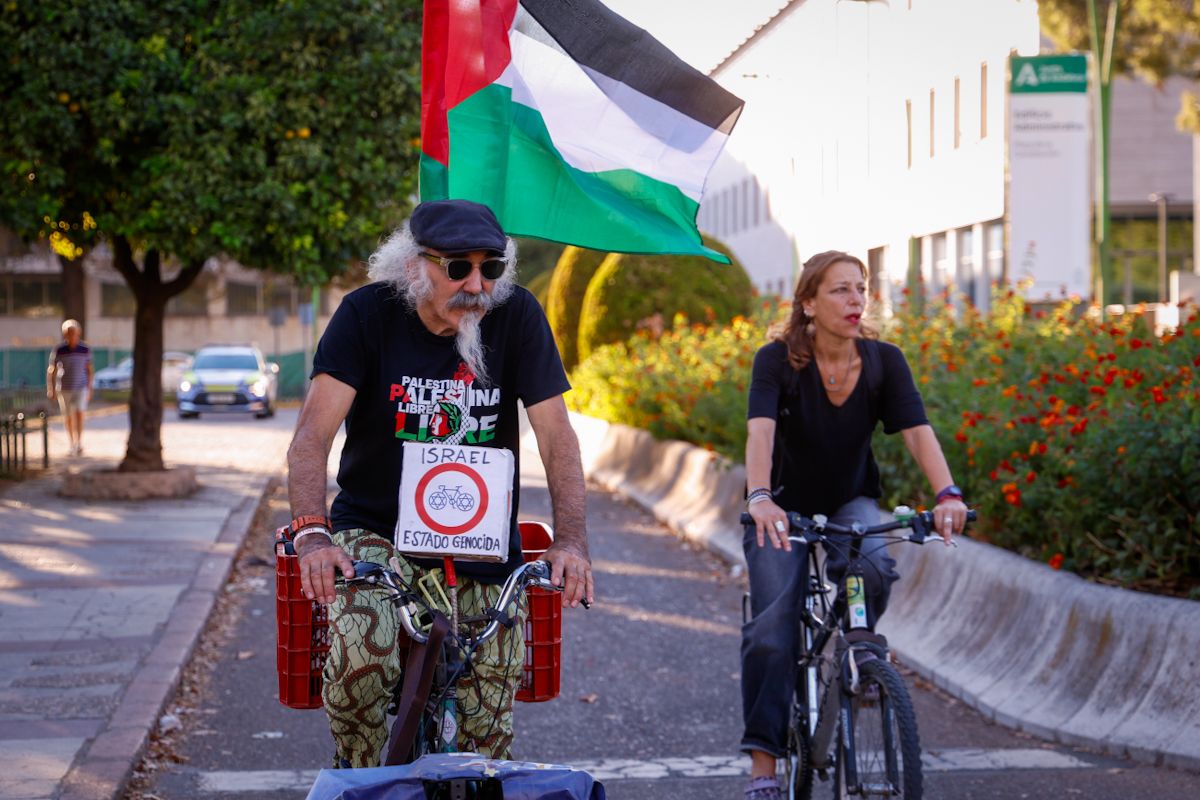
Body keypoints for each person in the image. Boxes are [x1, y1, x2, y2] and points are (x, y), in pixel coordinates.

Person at [286, 199, 594, 768]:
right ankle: (360, 778)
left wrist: (571, 539)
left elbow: (557, 436)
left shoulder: (518, 315)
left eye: (491, 268)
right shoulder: (365, 315)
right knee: (361, 660)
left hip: (482, 544)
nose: (477, 285)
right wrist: (311, 533)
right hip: (377, 534)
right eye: (458, 268)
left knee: (487, 724)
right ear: (414, 266)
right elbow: (311, 437)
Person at [739, 250, 968, 799]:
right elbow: (760, 433)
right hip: (782, 507)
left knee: (874, 564)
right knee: (772, 631)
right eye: (840, 290)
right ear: (809, 304)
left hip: (849, 502)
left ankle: (863, 655)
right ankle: (764, 769)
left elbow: (916, 430)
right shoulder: (776, 361)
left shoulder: (885, 360)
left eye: (861, 288)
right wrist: (760, 497)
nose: (856, 300)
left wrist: (947, 492)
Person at [46, 319, 93, 457]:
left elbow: (90, 370)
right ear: (65, 335)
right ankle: (72, 443)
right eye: (68, 333)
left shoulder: (85, 349)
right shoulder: (59, 350)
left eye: (74, 333)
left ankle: (79, 443)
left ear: (78, 333)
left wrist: (90, 388)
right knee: (68, 417)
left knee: (80, 413)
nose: (72, 335)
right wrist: (51, 388)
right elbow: (52, 370)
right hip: (64, 388)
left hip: (81, 387)